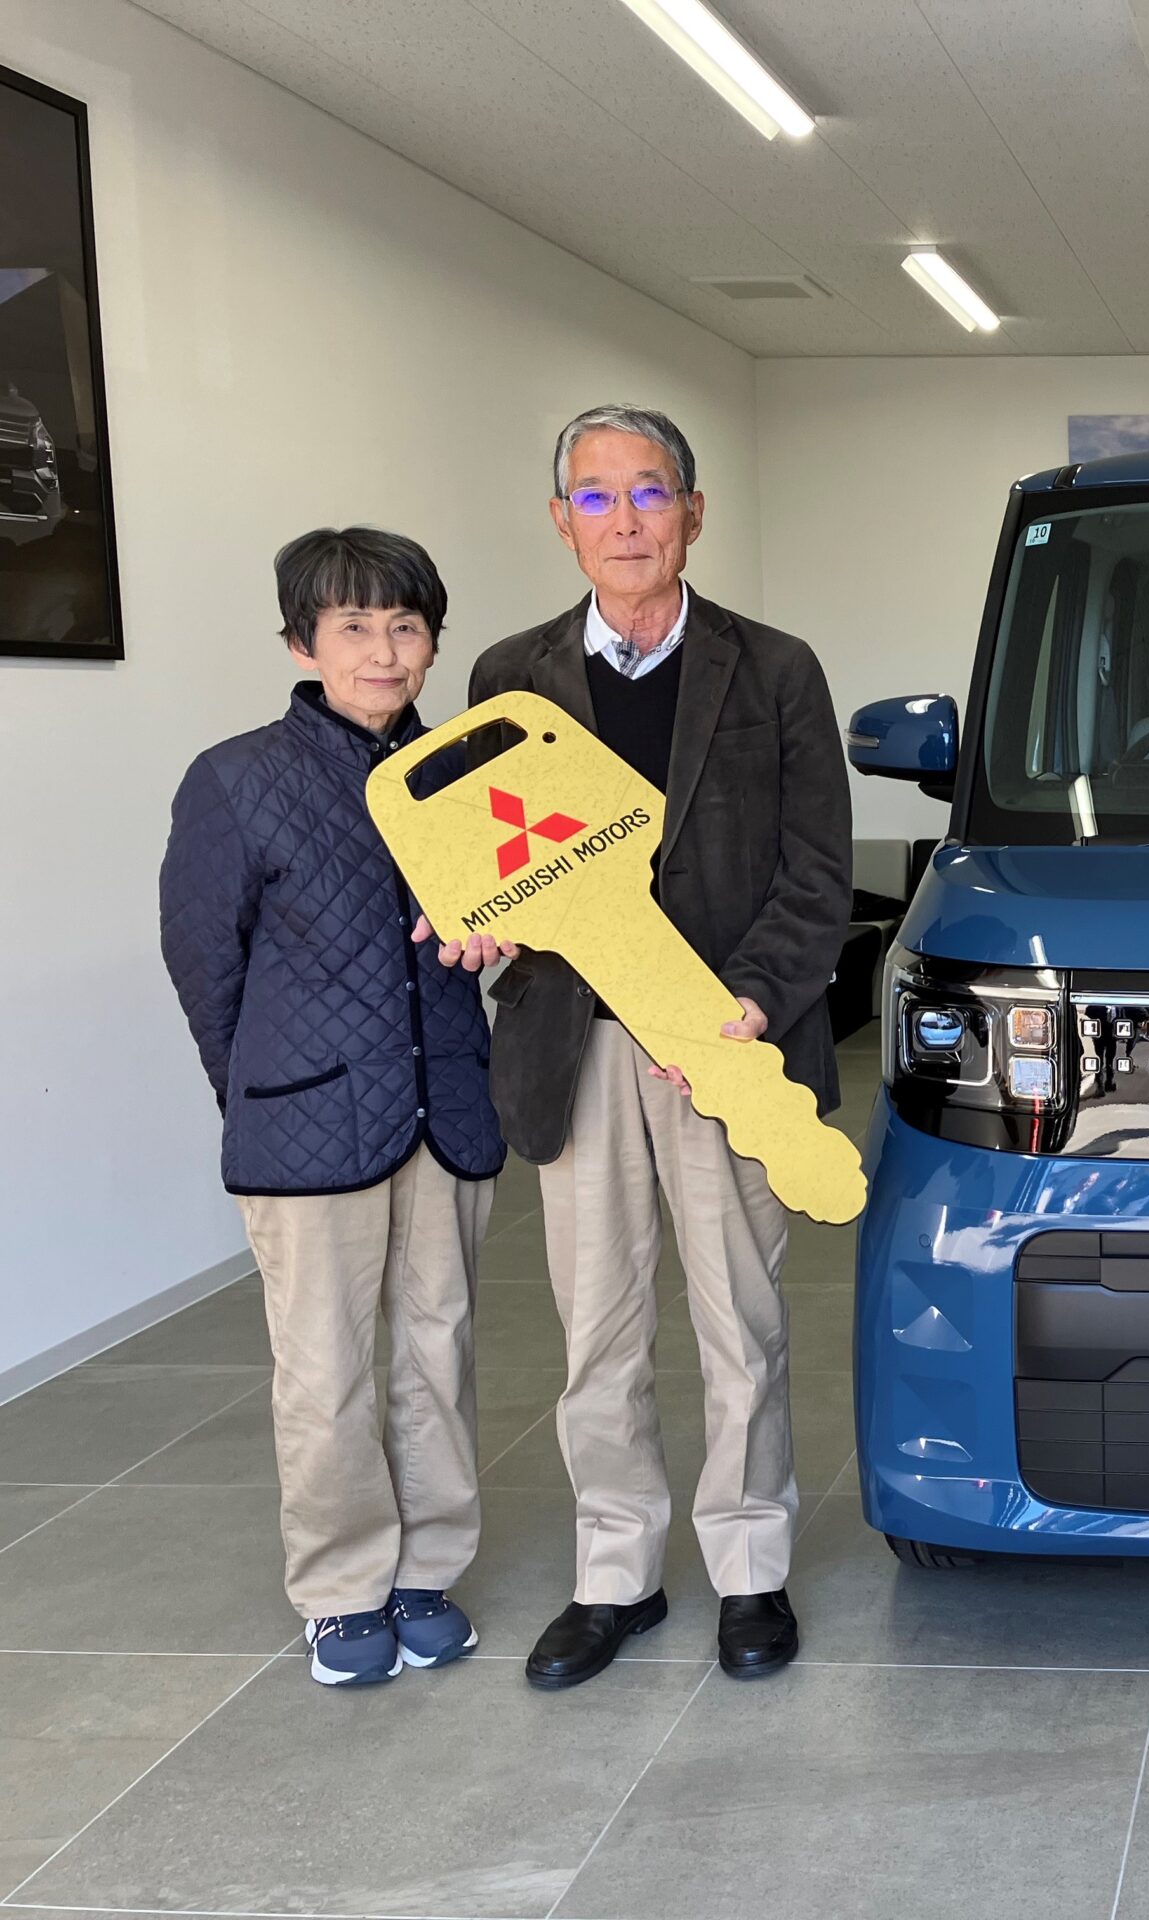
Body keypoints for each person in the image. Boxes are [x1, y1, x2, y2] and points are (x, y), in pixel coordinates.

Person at [444, 404, 851, 1690]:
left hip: (727, 1045)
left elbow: (817, 871)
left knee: (741, 1321)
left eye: (649, 491)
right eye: (596, 496)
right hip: (576, 1046)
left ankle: (751, 1566)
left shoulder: (774, 669)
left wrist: (747, 1003)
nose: (625, 520)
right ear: (560, 522)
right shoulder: (507, 675)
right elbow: (496, 871)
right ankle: (615, 1573)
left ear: (693, 511)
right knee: (599, 1331)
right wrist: (480, 928)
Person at [160, 527, 503, 1686]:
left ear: (432, 641)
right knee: (325, 1365)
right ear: (301, 642)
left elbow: (508, 919)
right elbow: (206, 965)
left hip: (446, 1110)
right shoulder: (236, 779)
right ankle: (344, 1587)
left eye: (405, 626)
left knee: (438, 1350)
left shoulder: (466, 772)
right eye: (354, 626)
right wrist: (257, 1094)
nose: (384, 651)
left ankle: (428, 1567)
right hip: (305, 1122)